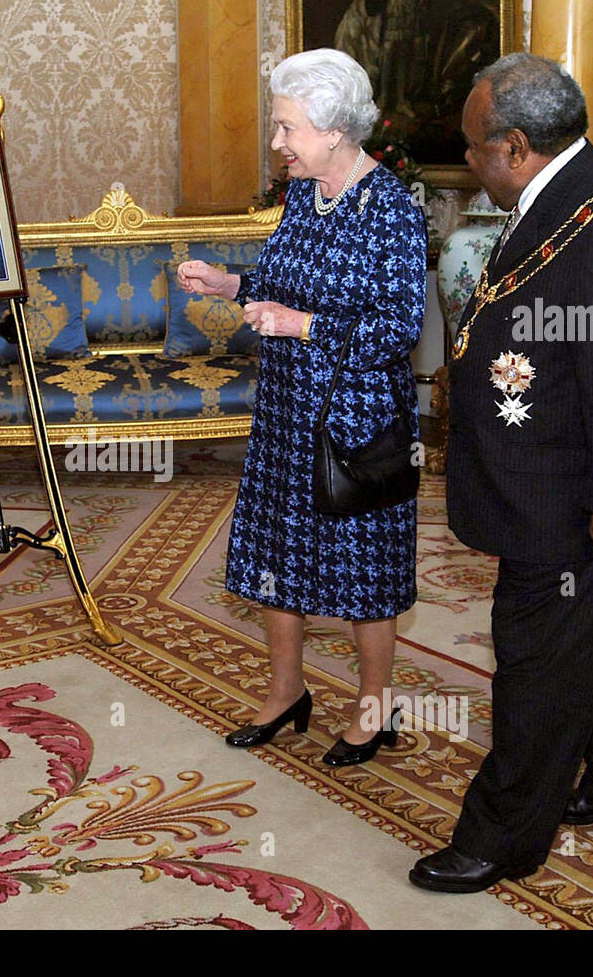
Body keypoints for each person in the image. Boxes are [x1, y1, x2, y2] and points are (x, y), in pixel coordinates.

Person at [410, 53, 593, 893]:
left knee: (535, 663)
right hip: (538, 479)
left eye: (474, 148)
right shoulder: (554, 200)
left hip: (573, 499)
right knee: (591, 640)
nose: (469, 162)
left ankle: (503, 835)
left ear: (516, 145)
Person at [178, 48, 426, 767]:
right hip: (286, 409)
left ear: (335, 131)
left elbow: (398, 327)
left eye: (288, 128)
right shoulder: (302, 195)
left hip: (355, 419)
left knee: (364, 571)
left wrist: (303, 325)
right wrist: (232, 285)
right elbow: (290, 280)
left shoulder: (390, 211)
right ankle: (287, 691)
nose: (278, 142)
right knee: (274, 555)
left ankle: (374, 709)